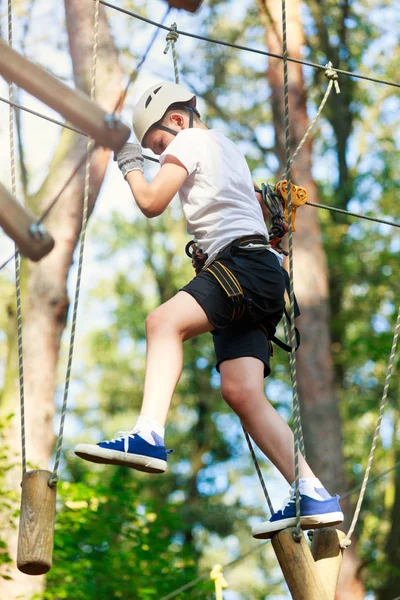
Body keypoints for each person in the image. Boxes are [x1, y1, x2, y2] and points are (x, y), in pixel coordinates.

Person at [75, 81, 343, 538]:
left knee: (162, 323)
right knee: (241, 392)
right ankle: (311, 490)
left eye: (159, 145)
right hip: (259, 273)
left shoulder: (193, 140)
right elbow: (237, 214)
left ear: (176, 121)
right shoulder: (226, 149)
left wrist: (130, 164)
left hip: (246, 265)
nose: (160, 156)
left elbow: (151, 202)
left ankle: (148, 435)